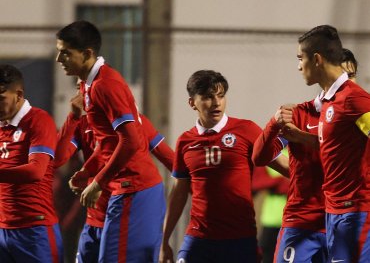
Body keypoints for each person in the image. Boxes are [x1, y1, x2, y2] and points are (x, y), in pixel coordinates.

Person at [56, 20, 166, 262]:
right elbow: (108, 142)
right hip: (119, 190)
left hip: (133, 188)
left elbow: (131, 141)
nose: (58, 59)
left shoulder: (105, 85)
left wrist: (98, 183)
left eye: (65, 53)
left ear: (87, 54)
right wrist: (89, 170)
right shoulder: (89, 86)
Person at [159, 70, 289, 263]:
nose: (216, 103)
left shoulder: (247, 130)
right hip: (198, 237)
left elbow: (286, 167)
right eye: (208, 97)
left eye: (221, 96)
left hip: (239, 238)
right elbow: (179, 192)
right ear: (192, 103)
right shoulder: (185, 142)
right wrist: (164, 241)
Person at [54, 88, 174, 263]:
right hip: (94, 218)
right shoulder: (83, 125)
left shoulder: (132, 123)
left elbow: (170, 159)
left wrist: (196, 187)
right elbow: (58, 157)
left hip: (125, 218)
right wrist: (73, 116)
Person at [297, 25, 370, 262]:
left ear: (316, 59)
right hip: (335, 212)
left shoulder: (354, 99)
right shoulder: (329, 101)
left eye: (301, 58)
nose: (299, 66)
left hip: (358, 212)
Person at [0, 64, 63, 262]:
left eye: (0, 99)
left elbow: (36, 171)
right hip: (2, 229)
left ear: (18, 94)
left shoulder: (39, 120)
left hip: (35, 231)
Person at [252, 98, 327, 263]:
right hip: (284, 219)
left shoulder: (353, 112)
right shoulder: (298, 118)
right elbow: (260, 167)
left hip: (335, 218)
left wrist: (302, 138)